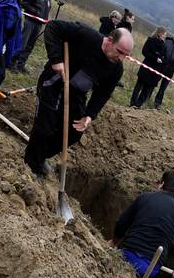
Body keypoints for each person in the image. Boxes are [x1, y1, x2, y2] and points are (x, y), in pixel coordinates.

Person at [23, 23, 134, 177]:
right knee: (45, 127)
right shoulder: (87, 35)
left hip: (77, 94)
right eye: (120, 52)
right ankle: (31, 165)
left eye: (126, 55)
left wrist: (89, 115)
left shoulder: (116, 68)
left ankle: (40, 156)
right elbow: (53, 28)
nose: (121, 58)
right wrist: (56, 60)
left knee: (75, 132)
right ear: (109, 41)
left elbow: (103, 93)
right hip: (55, 83)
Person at [112, 170, 174, 278]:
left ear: (162, 184)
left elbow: (122, 223)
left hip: (127, 254)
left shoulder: (144, 198)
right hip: (149, 268)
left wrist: (114, 241)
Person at [12, 0, 56, 73]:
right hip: (30, 21)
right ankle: (12, 63)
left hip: (39, 24)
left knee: (30, 45)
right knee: (23, 43)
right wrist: (34, 11)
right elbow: (24, 3)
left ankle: (21, 65)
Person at [128, 27, 167, 109]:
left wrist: (161, 60)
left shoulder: (164, 46)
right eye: (164, 34)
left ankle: (138, 105)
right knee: (138, 86)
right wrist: (155, 58)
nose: (165, 36)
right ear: (159, 33)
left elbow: (164, 57)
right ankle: (132, 103)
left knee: (147, 89)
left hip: (155, 71)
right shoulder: (150, 40)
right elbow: (144, 51)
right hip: (146, 67)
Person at [153, 30, 174, 109]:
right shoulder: (167, 41)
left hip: (170, 73)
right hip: (160, 68)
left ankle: (157, 103)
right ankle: (146, 96)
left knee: (163, 89)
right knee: (153, 83)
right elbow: (159, 52)